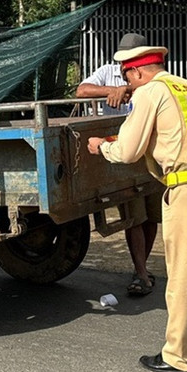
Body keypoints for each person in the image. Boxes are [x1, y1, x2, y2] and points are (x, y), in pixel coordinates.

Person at [87, 42, 187, 372]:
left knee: (184, 275)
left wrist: (102, 147)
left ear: (137, 71)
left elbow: (129, 150)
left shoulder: (150, 92)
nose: (127, 84)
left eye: (126, 76)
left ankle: (178, 356)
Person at [77, 33, 161, 297]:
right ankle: (141, 271)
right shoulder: (108, 72)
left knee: (151, 215)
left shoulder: (152, 80)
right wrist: (113, 90)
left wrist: (132, 89)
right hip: (120, 149)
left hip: (151, 151)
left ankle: (142, 267)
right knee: (134, 214)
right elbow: (81, 91)